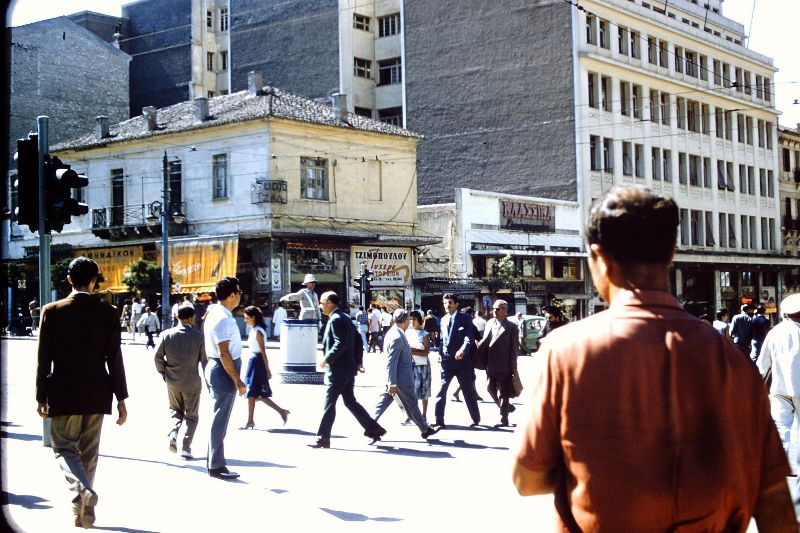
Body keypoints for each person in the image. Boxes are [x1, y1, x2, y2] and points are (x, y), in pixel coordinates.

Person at [512, 185, 794, 530]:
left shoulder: (565, 352)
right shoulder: (731, 360)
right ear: (671, 253)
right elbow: (775, 502)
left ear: (598, 257)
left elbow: (528, 479)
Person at [36, 257, 128, 528]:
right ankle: (84, 516)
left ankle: (80, 488)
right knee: (88, 455)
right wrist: (121, 399)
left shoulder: (52, 310)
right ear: (94, 281)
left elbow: (44, 359)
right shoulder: (109, 313)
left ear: (68, 280)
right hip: (98, 393)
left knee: (63, 448)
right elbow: (115, 359)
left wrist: (41, 396)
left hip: (63, 392)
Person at [309, 291, 386, 449]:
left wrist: (327, 359)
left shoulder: (336, 319)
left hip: (338, 370)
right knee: (350, 402)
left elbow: (340, 343)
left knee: (329, 403)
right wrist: (358, 362)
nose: (320, 306)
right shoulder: (343, 317)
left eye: (322, 303)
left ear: (330, 303)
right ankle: (374, 429)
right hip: (348, 369)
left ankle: (323, 438)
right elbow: (358, 339)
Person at [372, 309, 440, 439]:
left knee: (383, 404)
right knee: (412, 404)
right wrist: (392, 383)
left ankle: (369, 426)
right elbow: (391, 361)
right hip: (400, 379)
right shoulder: (397, 336)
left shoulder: (392, 332)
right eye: (408, 320)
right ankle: (424, 429)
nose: (409, 322)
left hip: (394, 378)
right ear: (404, 321)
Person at [203, 276, 247, 480]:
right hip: (223, 370)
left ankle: (214, 461)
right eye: (238, 293)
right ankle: (216, 466)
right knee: (220, 419)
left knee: (219, 417)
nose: (240, 296)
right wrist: (237, 379)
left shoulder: (216, 313)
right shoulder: (222, 317)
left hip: (220, 368)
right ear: (231, 295)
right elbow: (224, 352)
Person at [154, 302, 207, 461]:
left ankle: (173, 433)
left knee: (175, 410)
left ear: (177, 317)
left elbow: (157, 357)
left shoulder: (166, 334)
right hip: (192, 381)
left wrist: (164, 372)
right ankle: (186, 447)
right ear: (192, 318)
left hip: (172, 381)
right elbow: (204, 361)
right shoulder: (199, 336)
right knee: (191, 415)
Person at [756, 294, 800, 473]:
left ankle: (783, 466)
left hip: (779, 389)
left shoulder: (775, 332)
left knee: (782, 428)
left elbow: (762, 364)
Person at [433, 293, 480, 429]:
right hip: (446, 362)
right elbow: (442, 340)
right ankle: (439, 419)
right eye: (445, 303)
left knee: (468, 391)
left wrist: (463, 350)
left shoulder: (465, 318)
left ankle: (475, 418)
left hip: (462, 362)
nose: (448, 305)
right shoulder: (442, 320)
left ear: (456, 304)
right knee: (441, 390)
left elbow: (469, 337)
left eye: (450, 303)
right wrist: (440, 353)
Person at [240, 306, 289, 429]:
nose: (245, 320)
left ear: (253, 317)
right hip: (253, 361)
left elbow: (263, 351)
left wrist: (267, 369)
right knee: (255, 394)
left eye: (246, 318)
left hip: (257, 362)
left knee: (255, 393)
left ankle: (251, 420)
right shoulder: (253, 330)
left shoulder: (258, 331)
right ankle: (279, 412)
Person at [474, 299, 519, 427]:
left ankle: (504, 419)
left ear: (505, 311)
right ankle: (506, 407)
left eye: (498, 309)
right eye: (494, 308)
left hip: (504, 364)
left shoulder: (511, 327)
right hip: (490, 362)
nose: (495, 311)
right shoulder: (489, 323)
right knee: (490, 388)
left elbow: (514, 349)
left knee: (504, 392)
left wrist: (513, 367)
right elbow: (485, 341)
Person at [406, 310, 432, 422]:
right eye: (410, 319)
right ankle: (410, 414)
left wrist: (411, 351)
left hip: (423, 365)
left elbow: (426, 352)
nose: (412, 322)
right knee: (411, 392)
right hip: (410, 365)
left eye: (414, 319)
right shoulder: (406, 332)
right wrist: (415, 350)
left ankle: (424, 414)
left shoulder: (424, 334)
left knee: (424, 390)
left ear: (419, 320)